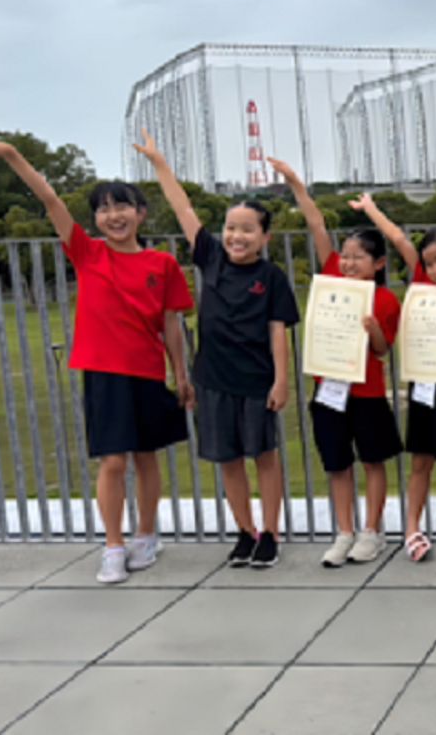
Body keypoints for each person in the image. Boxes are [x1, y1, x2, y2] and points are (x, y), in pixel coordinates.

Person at [0, 135, 193, 584]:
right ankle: (113, 546)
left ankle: (146, 535)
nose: (113, 216)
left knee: (147, 459)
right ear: (96, 219)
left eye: (122, 206)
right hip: (104, 372)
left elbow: (172, 325)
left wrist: (181, 375)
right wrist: (11, 156)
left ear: (140, 213)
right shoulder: (87, 253)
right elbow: (48, 199)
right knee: (113, 461)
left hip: (147, 371)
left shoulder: (161, 264)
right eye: (103, 209)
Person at [134, 130, 299, 569]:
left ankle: (270, 533)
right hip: (212, 378)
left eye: (247, 230)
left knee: (264, 457)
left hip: (257, 380)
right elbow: (183, 208)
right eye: (231, 228)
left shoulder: (273, 277)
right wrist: (159, 163)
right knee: (226, 459)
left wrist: (281, 381)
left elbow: (278, 331)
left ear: (264, 236)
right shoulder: (210, 257)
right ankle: (244, 531)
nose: (236, 236)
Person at [269, 159, 402, 568]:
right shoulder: (332, 279)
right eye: (345, 256)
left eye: (359, 257)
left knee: (373, 461)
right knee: (337, 463)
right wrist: (296, 186)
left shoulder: (385, 300)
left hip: (366, 392)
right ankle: (344, 530)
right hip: (329, 391)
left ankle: (372, 530)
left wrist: (371, 329)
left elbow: (383, 350)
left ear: (378, 264)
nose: (348, 263)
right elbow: (316, 225)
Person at [350, 194, 436, 564]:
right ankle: (412, 528)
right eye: (430, 263)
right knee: (420, 457)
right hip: (423, 377)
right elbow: (399, 240)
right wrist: (371, 208)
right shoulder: (423, 282)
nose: (435, 270)